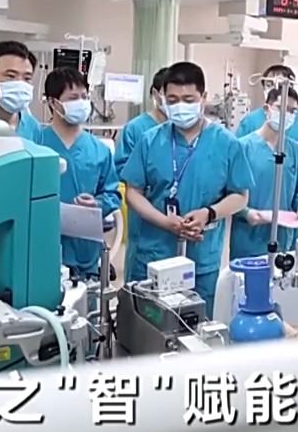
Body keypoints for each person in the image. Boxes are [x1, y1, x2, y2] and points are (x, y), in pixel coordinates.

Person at [120, 62, 253, 312]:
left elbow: (240, 195)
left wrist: (208, 213)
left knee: (196, 322)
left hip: (201, 257)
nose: (180, 106)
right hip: (155, 253)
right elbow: (133, 192)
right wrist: (164, 222)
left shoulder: (226, 143)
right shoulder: (150, 140)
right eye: (173, 100)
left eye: (188, 99)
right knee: (149, 322)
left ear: (204, 98)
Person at [34, 67, 122, 279]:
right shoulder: (36, 144)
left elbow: (113, 194)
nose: (82, 103)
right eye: (73, 98)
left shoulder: (99, 149)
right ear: (53, 102)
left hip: (86, 250)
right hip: (43, 244)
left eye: (84, 97)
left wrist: (97, 204)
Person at [230, 86, 298, 261]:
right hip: (249, 238)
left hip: (286, 239)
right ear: (267, 109)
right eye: (281, 108)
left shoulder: (295, 151)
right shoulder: (243, 148)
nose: (286, 115)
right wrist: (246, 213)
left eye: (292, 111)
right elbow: (228, 192)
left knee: (284, 276)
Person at [235, 64, 298, 174]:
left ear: (290, 86)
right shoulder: (251, 121)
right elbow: (236, 155)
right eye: (269, 84)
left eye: (280, 84)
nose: (275, 88)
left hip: (295, 179)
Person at [114, 66, 168, 174]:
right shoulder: (135, 128)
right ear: (155, 93)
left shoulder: (183, 129)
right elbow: (121, 170)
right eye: (169, 93)